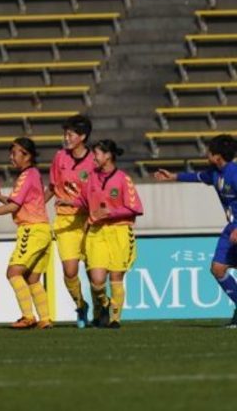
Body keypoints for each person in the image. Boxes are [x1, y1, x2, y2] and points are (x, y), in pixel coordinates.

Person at [154, 134, 237, 327]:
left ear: (218, 156)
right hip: (230, 229)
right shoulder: (215, 172)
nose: (205, 153)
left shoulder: (234, 173)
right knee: (218, 269)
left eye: (209, 151)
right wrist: (173, 177)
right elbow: (197, 177)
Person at [61, 139, 143, 328]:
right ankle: (105, 304)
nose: (93, 158)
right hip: (96, 232)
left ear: (107, 156)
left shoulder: (123, 179)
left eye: (96, 154)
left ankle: (115, 319)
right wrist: (70, 203)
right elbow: (84, 201)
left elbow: (136, 208)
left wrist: (110, 213)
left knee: (115, 278)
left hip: (119, 232)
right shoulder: (91, 178)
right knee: (97, 281)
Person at [0, 138, 53, 329]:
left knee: (13, 272)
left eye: (15, 153)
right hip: (43, 230)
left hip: (32, 230)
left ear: (27, 155)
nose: (11, 157)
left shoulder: (26, 176)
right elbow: (22, 202)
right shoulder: (33, 174)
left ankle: (28, 316)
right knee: (32, 278)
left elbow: (14, 206)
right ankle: (45, 318)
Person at [46, 115, 97, 328]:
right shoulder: (60, 157)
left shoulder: (95, 159)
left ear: (82, 136)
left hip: (89, 220)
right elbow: (52, 186)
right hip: (66, 221)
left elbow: (98, 193)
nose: (66, 138)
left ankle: (101, 309)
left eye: (70, 134)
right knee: (70, 271)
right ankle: (80, 305)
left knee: (94, 270)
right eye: (65, 134)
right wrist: (36, 205)